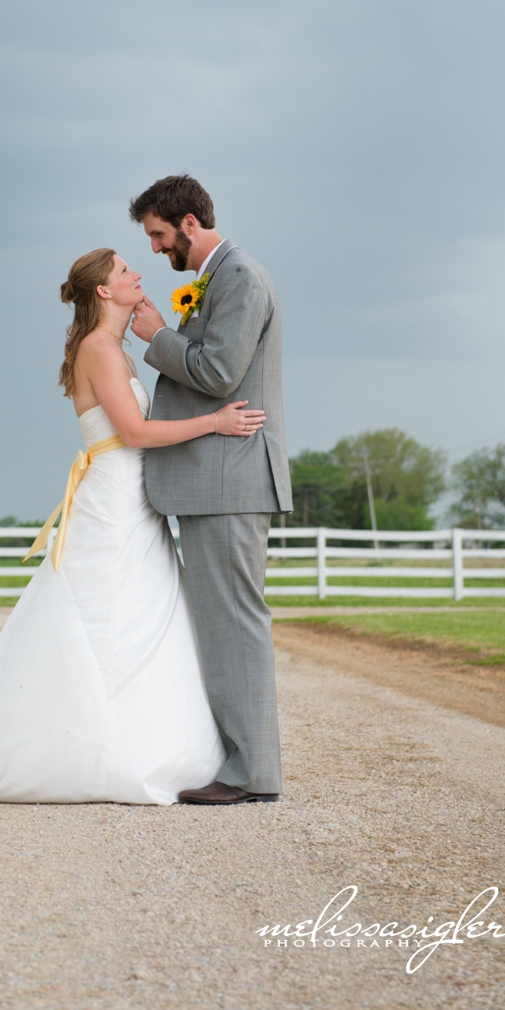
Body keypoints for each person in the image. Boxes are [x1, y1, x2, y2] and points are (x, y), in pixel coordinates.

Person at [0, 249, 264, 803]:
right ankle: (93, 752)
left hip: (136, 499)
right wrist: (215, 422)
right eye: (125, 270)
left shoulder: (116, 349)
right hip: (113, 499)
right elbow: (133, 433)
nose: (137, 273)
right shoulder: (99, 350)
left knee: (148, 612)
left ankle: (144, 744)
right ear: (105, 292)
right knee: (110, 613)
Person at [127, 174, 292, 805]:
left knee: (236, 626)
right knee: (224, 626)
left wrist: (156, 338)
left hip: (230, 480)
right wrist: (173, 330)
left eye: (159, 235)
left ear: (189, 224)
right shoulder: (219, 280)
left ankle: (251, 776)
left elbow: (220, 373)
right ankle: (243, 766)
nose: (155, 248)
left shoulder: (241, 278)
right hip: (216, 481)